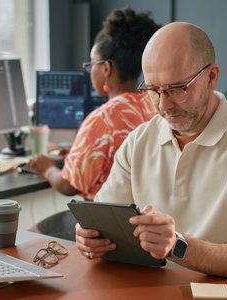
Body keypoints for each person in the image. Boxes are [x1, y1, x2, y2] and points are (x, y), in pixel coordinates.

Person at [75, 22, 227, 285]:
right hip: (150, 286)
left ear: (211, 77)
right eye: (153, 90)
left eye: (178, 88)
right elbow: (105, 219)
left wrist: (178, 246)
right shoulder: (138, 141)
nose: (164, 105)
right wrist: (89, 236)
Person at [27, 6, 161, 240]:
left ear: (107, 68)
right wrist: (75, 156)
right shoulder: (153, 104)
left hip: (106, 224)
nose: (90, 72)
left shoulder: (103, 118)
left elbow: (69, 185)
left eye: (91, 65)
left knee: (26, 239)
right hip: (146, 222)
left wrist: (47, 168)